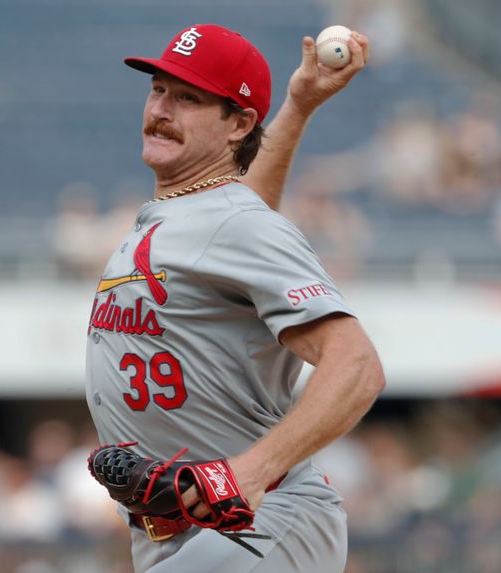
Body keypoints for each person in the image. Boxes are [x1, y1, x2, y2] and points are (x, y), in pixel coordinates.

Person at [84, 24, 385, 573]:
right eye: (158, 89)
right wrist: (297, 105)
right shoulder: (202, 215)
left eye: (189, 98)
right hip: (186, 531)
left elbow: (358, 365)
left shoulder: (235, 223)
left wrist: (252, 471)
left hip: (260, 520)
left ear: (240, 124)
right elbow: (239, 212)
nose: (162, 109)